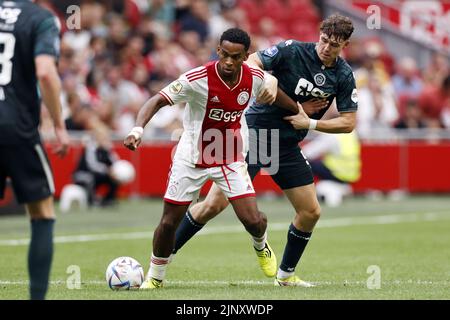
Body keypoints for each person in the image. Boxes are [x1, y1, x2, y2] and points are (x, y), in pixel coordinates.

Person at [173, 13, 358, 287]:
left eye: (334, 44)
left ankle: (285, 276)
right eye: (323, 40)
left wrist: (311, 123)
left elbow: (348, 121)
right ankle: (164, 256)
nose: (326, 47)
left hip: (286, 144)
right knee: (212, 205)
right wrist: (267, 79)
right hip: (256, 134)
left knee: (311, 211)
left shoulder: (343, 75)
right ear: (319, 35)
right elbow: (251, 61)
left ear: (345, 46)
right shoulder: (293, 50)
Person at [124, 28, 295, 289]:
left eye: (235, 57)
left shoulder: (254, 78)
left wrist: (298, 110)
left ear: (245, 57)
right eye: (224, 54)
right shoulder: (197, 78)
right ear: (218, 51)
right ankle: (155, 278)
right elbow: (157, 100)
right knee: (169, 222)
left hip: (230, 156)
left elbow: (276, 96)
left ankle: (261, 246)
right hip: (191, 157)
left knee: (253, 220)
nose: (228, 61)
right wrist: (138, 128)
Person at [0, 0, 69, 300]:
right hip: (17, 128)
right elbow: (45, 72)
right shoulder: (41, 18)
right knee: (42, 212)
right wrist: (59, 125)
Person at [73, 126, 120, 207]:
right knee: (91, 179)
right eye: (102, 137)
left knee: (115, 179)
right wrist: (107, 170)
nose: (104, 139)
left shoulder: (107, 149)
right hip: (83, 173)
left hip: (98, 174)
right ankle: (91, 201)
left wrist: (114, 171)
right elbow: (92, 165)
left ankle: (108, 200)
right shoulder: (91, 148)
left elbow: (115, 161)